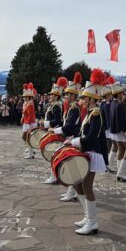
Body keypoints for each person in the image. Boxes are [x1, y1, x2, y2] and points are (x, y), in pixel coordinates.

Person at [69, 69, 108, 235]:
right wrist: (72, 141)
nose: (82, 100)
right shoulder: (90, 113)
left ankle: (92, 222)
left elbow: (92, 137)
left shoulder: (96, 114)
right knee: (78, 183)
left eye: (84, 97)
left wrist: (74, 141)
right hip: (87, 150)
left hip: (93, 152)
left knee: (86, 186)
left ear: (92, 99)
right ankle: (87, 217)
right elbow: (84, 134)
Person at [50, 72, 83, 202]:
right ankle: (72, 191)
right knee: (69, 164)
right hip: (70, 137)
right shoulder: (71, 108)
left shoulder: (74, 108)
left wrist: (55, 129)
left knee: (70, 165)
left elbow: (68, 127)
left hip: (73, 138)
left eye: (68, 94)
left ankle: (72, 191)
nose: (66, 96)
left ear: (73, 96)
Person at [42, 77, 67, 184]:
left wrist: (46, 124)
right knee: (53, 155)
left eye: (51, 95)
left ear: (56, 96)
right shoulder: (54, 105)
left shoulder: (56, 106)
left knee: (53, 155)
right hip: (53, 131)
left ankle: (54, 177)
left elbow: (57, 120)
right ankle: (54, 176)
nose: (50, 96)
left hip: (55, 132)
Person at [107, 77, 126, 182]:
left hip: (115, 131)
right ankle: (121, 173)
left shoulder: (113, 103)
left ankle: (119, 171)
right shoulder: (119, 104)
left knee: (121, 150)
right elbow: (122, 121)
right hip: (122, 132)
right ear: (118, 94)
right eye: (122, 93)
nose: (123, 94)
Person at [20, 83, 37, 159]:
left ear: (28, 97)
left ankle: (31, 153)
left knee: (26, 137)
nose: (24, 98)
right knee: (25, 137)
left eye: (25, 97)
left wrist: (29, 126)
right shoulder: (28, 103)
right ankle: (31, 151)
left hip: (29, 123)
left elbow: (30, 115)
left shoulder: (30, 104)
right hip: (27, 122)